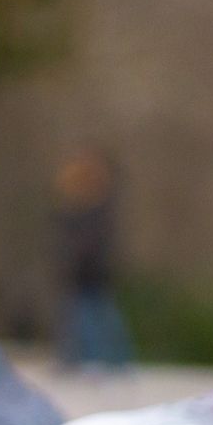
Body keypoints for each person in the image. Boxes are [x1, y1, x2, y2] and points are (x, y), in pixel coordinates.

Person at [54, 145, 133, 369]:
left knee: (94, 317)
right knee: (85, 317)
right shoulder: (76, 207)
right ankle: (82, 359)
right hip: (82, 273)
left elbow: (93, 244)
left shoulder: (97, 207)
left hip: (91, 272)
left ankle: (105, 360)